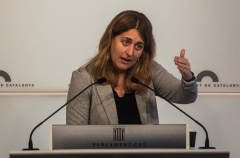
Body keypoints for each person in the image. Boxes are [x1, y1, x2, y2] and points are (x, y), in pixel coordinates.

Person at [66, 10, 197, 125]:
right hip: (100, 154)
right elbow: (75, 138)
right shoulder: (85, 78)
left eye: (138, 46)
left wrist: (187, 77)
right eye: (126, 42)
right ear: (111, 39)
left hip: (145, 154)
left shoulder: (149, 70)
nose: (130, 52)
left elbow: (186, 97)